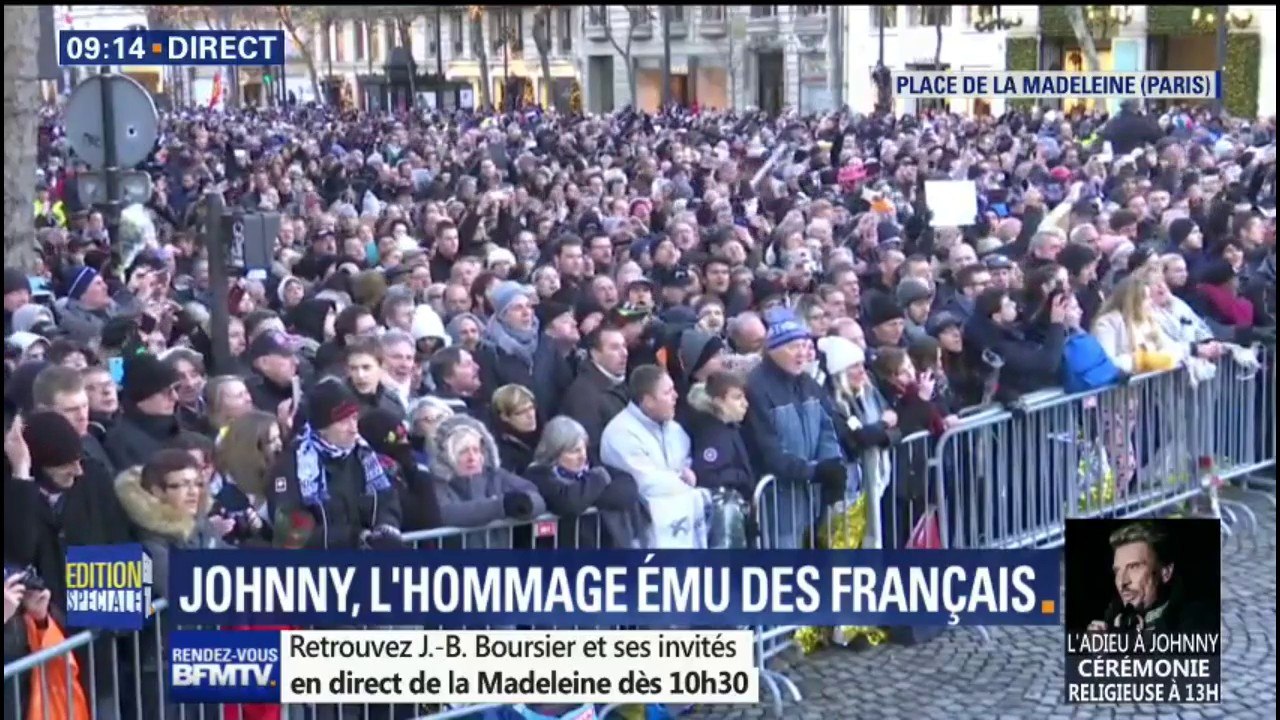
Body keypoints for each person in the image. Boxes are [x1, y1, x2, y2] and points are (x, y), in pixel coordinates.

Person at [267, 379, 402, 549]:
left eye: (354, 418)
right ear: (322, 427)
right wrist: (354, 538)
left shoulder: (364, 455)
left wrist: (386, 529)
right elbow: (290, 526)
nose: (353, 428)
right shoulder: (292, 466)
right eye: (343, 421)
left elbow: (386, 498)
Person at [600, 365, 710, 549]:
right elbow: (645, 483)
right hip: (639, 537)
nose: (676, 396)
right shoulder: (620, 433)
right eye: (668, 392)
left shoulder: (676, 430)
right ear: (648, 400)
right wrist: (681, 479)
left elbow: (687, 467)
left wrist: (685, 474)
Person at [115, 448, 229, 597]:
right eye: (181, 485)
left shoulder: (198, 519)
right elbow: (184, 591)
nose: (193, 491)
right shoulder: (149, 544)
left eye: (197, 484)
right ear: (157, 492)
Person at [524, 416, 646, 549]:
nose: (583, 456)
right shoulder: (538, 475)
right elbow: (569, 503)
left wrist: (586, 497)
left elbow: (627, 487)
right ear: (554, 453)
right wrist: (597, 482)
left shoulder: (592, 467)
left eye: (583, 448)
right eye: (574, 451)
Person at [1086, 522, 1217, 635]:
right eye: (1118, 571)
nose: (1123, 582)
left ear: (1165, 573)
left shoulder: (1197, 620)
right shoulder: (1111, 621)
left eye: (1134, 567)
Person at [428, 414, 546, 529]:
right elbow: (446, 513)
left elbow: (536, 497)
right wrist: (501, 506)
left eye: (476, 450)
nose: (472, 458)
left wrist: (525, 504)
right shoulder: (438, 483)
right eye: (463, 452)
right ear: (446, 456)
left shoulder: (496, 476)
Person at [210, 411, 281, 546]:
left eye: (279, 437)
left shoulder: (283, 474)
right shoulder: (223, 482)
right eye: (271, 441)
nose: (279, 445)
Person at [560, 327, 630, 463]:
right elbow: (592, 451)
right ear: (595, 354)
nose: (624, 353)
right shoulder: (584, 396)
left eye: (624, 346)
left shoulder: (621, 383)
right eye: (615, 348)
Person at [105, 353, 186, 470]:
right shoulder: (119, 442)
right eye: (166, 392)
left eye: (176, 389)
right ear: (141, 397)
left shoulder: (179, 427)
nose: (175, 397)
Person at [491, 384, 540, 475]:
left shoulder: (541, 436)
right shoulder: (503, 453)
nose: (530, 415)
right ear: (504, 417)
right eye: (521, 412)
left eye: (531, 408)